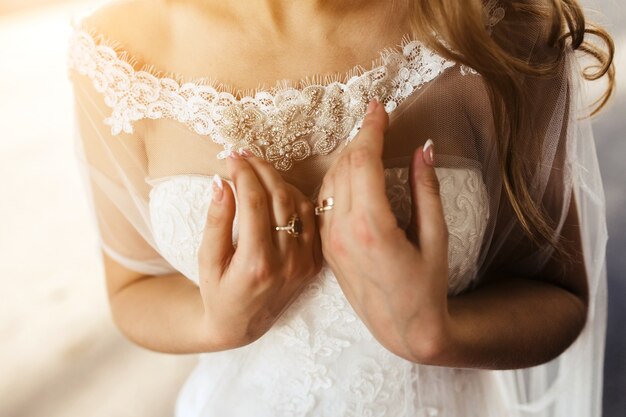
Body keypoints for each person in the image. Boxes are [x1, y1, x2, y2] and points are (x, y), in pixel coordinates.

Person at [67, 0, 615, 415]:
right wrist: (217, 322)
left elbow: (560, 295)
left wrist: (435, 333)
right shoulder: (119, 55)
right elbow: (132, 290)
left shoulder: (499, 29)